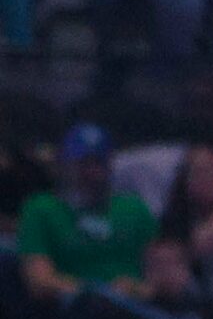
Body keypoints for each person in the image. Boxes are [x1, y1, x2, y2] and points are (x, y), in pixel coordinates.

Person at [18, 128, 156, 306]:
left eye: (98, 163)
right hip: (70, 313)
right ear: (64, 165)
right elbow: (39, 281)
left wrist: (135, 289)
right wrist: (99, 292)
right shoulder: (41, 208)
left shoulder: (133, 208)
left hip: (135, 310)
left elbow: (162, 273)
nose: (91, 172)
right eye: (82, 164)